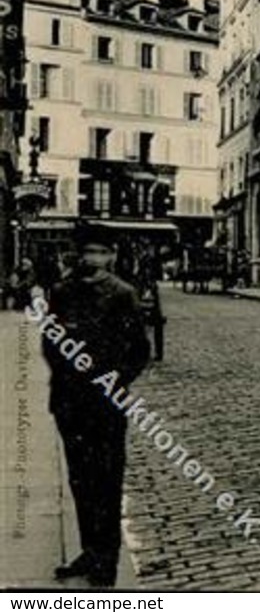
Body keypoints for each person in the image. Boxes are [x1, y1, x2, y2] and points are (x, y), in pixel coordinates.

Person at [42, 222, 150, 587]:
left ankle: (107, 558)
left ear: (111, 256)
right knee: (79, 478)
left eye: (101, 252)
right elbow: (50, 344)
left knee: (106, 478)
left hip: (106, 404)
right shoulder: (61, 292)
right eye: (89, 251)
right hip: (70, 404)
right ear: (80, 254)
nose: (95, 258)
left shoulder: (123, 294)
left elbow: (139, 352)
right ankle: (90, 550)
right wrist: (70, 381)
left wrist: (111, 381)